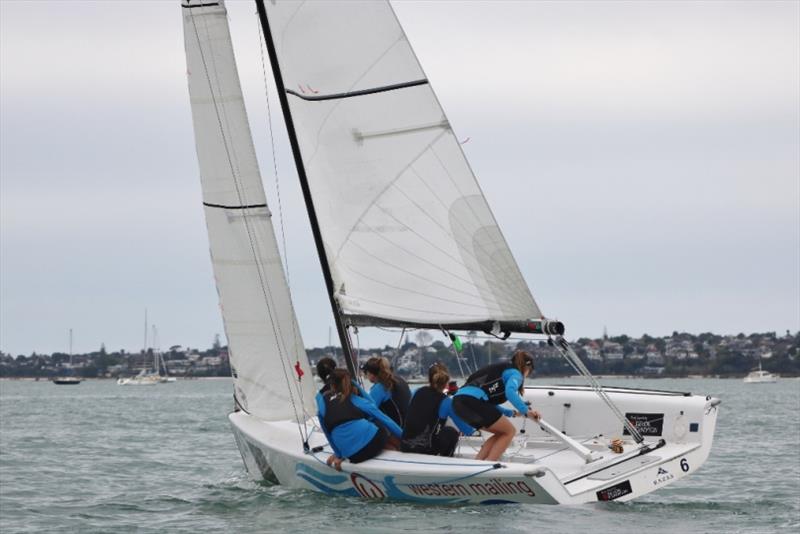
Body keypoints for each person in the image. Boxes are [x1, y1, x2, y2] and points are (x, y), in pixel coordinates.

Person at [452, 350, 540, 461]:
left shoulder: (503, 370)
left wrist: (511, 413)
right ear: (527, 368)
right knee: (509, 431)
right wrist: (526, 410)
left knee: (501, 433)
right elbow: (510, 392)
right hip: (472, 402)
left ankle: (477, 464)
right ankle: (488, 466)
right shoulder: (516, 374)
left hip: (458, 403)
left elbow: (485, 402)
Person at [317, 369, 403, 471]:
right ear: (350, 383)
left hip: (354, 456)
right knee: (375, 419)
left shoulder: (323, 404)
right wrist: (405, 437)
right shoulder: (356, 400)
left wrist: (339, 454)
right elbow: (385, 419)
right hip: (374, 443)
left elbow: (328, 434)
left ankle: (391, 448)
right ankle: (398, 449)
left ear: (332, 386)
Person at [401, 363, 475, 456]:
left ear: (429, 379)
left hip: (405, 446)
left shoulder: (416, 392)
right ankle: (445, 461)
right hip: (426, 451)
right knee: (450, 432)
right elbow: (468, 431)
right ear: (446, 382)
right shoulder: (447, 402)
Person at [361, 357, 411, 427]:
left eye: (366, 373)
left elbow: (369, 413)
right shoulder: (399, 380)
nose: (365, 376)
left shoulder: (380, 387)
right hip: (408, 426)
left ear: (371, 374)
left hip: (396, 430)